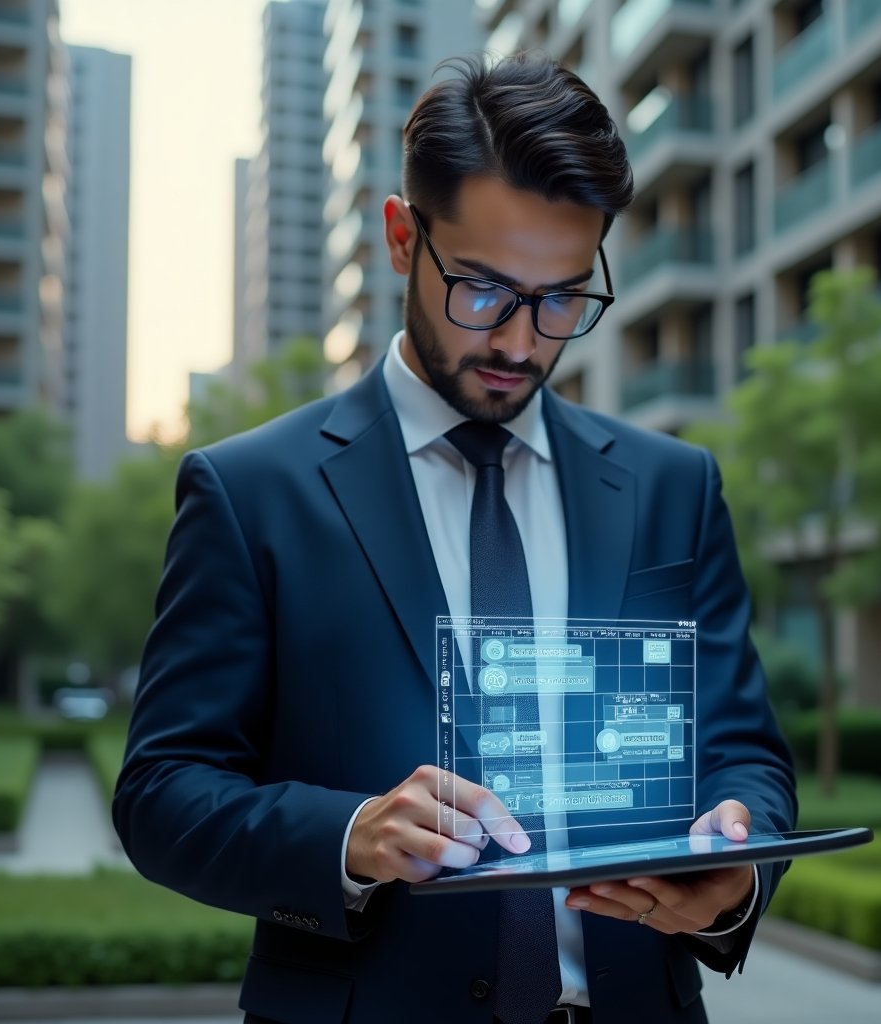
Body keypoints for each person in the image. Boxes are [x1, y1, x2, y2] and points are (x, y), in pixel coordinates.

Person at [113, 51, 797, 1024]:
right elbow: (161, 794)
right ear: (402, 237)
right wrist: (349, 832)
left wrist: (735, 869)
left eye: (563, 297)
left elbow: (743, 754)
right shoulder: (249, 490)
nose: (521, 341)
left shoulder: (672, 486)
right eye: (482, 289)